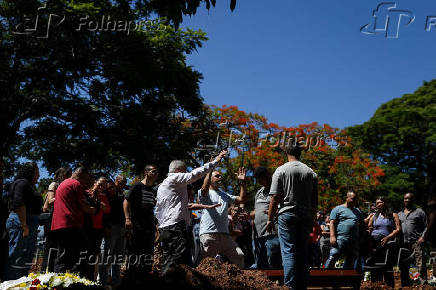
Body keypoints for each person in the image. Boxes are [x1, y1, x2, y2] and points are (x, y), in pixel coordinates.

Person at [155, 150, 227, 275]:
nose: (185, 173)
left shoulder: (164, 186)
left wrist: (206, 206)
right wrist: (216, 162)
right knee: (178, 261)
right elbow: (194, 175)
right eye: (184, 171)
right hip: (175, 228)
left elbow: (185, 206)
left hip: (166, 228)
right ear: (179, 170)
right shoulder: (175, 178)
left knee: (172, 260)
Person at [266, 142, 318, 290]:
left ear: (286, 153)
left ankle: (290, 287)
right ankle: (303, 286)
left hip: (287, 214)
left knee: (289, 252)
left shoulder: (281, 170)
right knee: (302, 252)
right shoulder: (310, 172)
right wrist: (313, 217)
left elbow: (275, 197)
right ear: (300, 153)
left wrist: (269, 219)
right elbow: (315, 199)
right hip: (306, 215)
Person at [50, 167, 102, 277]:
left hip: (58, 224)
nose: (86, 182)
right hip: (71, 224)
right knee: (75, 256)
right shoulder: (76, 184)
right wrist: (96, 209)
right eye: (86, 178)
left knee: (63, 255)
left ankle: (58, 280)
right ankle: (66, 281)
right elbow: (84, 207)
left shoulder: (63, 183)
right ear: (80, 175)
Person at [198, 167, 248, 267]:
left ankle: (237, 282)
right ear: (210, 178)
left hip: (224, 235)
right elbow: (204, 189)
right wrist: (209, 171)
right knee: (206, 264)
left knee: (239, 255)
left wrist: (242, 182)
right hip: (209, 234)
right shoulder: (204, 192)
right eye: (217, 176)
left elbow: (242, 199)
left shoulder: (224, 195)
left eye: (220, 176)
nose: (220, 177)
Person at [5, 162, 42, 280]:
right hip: (21, 221)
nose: (39, 176)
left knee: (26, 259)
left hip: (29, 222)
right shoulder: (22, 183)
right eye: (37, 172)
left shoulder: (30, 186)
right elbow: (18, 202)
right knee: (16, 257)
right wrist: (24, 225)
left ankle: (21, 283)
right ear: (30, 172)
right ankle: (10, 284)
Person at [123, 165, 158, 286]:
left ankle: (143, 281)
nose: (156, 173)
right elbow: (126, 201)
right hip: (137, 227)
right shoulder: (137, 186)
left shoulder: (152, 190)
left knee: (147, 256)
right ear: (146, 172)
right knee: (134, 255)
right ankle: (130, 282)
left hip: (149, 228)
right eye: (154, 171)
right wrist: (127, 219)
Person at [41, 166, 72, 272]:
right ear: (64, 175)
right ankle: (44, 271)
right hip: (52, 219)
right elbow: (50, 201)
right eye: (69, 174)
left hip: (61, 220)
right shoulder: (54, 184)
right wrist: (65, 195)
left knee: (58, 249)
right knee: (50, 248)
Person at [251, 166, 281, 269]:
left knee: (273, 261)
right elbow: (257, 210)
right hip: (257, 235)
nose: (261, 183)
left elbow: (284, 208)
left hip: (272, 233)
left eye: (263, 180)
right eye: (259, 181)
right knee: (260, 264)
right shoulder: (258, 192)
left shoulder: (278, 189)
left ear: (268, 175)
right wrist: (248, 215)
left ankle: (277, 283)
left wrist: (274, 212)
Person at [325, 191, 364, 271]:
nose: (355, 201)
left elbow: (362, 224)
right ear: (347, 198)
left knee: (351, 259)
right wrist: (332, 236)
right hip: (340, 238)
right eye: (353, 199)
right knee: (333, 256)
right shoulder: (337, 209)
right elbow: (332, 223)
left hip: (353, 240)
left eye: (356, 199)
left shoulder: (358, 211)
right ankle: (324, 277)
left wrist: (361, 237)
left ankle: (345, 279)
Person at [367, 196, 401, 287]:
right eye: (377, 203)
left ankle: (389, 285)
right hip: (374, 242)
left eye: (380, 202)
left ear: (385, 203)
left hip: (387, 242)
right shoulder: (374, 216)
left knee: (387, 265)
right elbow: (369, 229)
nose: (378, 204)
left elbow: (398, 229)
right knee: (375, 265)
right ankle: (375, 285)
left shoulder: (393, 215)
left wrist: (388, 237)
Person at [99, 176, 127, 288]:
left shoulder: (123, 196)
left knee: (118, 258)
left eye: (124, 182)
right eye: (120, 182)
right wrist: (106, 227)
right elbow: (104, 214)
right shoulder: (107, 194)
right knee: (106, 257)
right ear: (115, 181)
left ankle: (116, 282)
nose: (123, 184)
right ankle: (103, 282)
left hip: (121, 228)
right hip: (110, 228)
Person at [398, 192, 428, 286]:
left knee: (419, 264)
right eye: (405, 198)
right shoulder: (400, 214)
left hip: (417, 242)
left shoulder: (419, 212)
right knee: (406, 265)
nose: (406, 200)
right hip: (404, 244)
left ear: (413, 200)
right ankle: (409, 283)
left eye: (409, 198)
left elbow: (427, 226)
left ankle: (421, 284)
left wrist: (423, 237)